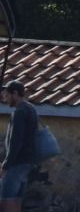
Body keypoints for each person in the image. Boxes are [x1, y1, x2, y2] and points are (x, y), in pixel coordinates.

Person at [1, 81, 41, 212]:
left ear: (15, 93)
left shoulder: (19, 112)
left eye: (7, 95)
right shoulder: (31, 109)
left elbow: (15, 142)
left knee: (7, 199)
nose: (5, 99)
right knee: (16, 199)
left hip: (16, 163)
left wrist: (6, 165)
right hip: (27, 162)